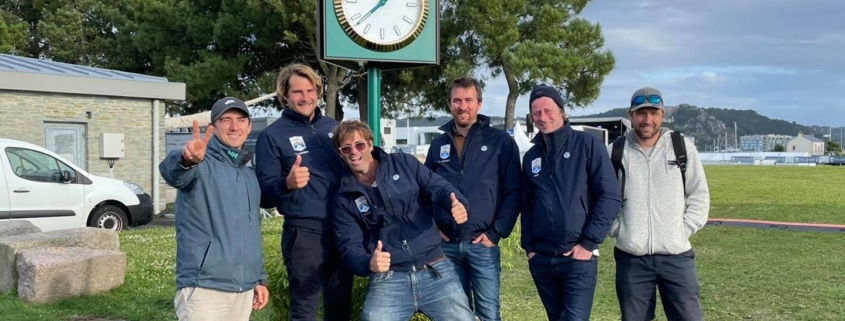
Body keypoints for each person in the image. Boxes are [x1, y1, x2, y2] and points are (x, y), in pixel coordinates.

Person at [330, 120, 476, 321]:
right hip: (388, 278)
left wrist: (457, 203)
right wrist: (369, 263)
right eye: (346, 149)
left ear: (370, 145)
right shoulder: (343, 198)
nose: (354, 152)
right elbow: (348, 248)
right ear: (341, 154)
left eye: (359, 145)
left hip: (434, 267)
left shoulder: (403, 163)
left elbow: (440, 188)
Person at [253, 63, 353, 320]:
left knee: (340, 307)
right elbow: (263, 195)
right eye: (298, 92)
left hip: (343, 229)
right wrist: (287, 183)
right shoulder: (272, 136)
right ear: (285, 94)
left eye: (310, 90)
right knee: (304, 309)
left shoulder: (334, 127)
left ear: (318, 92)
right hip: (305, 235)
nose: (305, 97)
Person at [160, 97, 269, 321]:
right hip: (204, 286)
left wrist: (258, 278)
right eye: (225, 119)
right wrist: (186, 159)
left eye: (240, 120)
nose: (234, 126)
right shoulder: (200, 162)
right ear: (214, 126)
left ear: (249, 127)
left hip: (243, 289)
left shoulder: (248, 174)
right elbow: (173, 172)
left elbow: (250, 231)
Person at [520, 84, 623, 321]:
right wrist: (530, 247)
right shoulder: (532, 156)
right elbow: (527, 204)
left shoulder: (587, 145)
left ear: (562, 111)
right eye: (537, 113)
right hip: (542, 259)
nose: (543, 118)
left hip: (578, 257)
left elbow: (610, 196)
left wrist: (588, 244)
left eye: (548, 110)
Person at [606, 87, 710, 321]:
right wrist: (619, 230)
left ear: (662, 115)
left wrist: (683, 229)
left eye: (654, 113)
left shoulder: (681, 147)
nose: (647, 120)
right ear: (631, 115)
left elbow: (699, 194)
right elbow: (600, 198)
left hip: (676, 256)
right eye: (641, 114)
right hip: (632, 258)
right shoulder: (615, 151)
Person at [423, 76, 521, 321]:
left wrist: (496, 233)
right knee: (455, 314)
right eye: (457, 100)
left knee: (488, 313)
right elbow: (424, 190)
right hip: (447, 245)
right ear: (449, 104)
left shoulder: (501, 143)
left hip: (482, 244)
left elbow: (514, 192)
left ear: (479, 103)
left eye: (468, 100)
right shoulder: (438, 145)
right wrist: (433, 228)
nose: (462, 106)